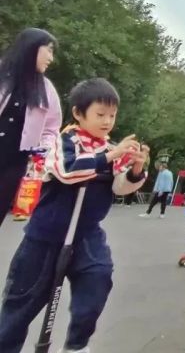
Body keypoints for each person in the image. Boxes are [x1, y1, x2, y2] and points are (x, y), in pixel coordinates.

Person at [0, 77, 146, 353]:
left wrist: (136, 171)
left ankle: (77, 345)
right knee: (21, 302)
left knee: (98, 278)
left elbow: (120, 186)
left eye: (112, 115)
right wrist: (109, 156)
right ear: (79, 113)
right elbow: (67, 171)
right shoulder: (62, 141)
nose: (107, 122)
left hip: (87, 233)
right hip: (46, 234)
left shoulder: (108, 148)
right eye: (100, 114)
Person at [0, 28, 62, 227]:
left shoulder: (46, 89)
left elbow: (51, 128)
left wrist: (43, 151)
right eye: (49, 50)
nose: (51, 58)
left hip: (13, 163)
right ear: (32, 47)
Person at [140, 154, 172, 218]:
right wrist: (170, 188)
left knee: (153, 201)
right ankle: (162, 214)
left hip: (161, 190)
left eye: (160, 167)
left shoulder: (162, 173)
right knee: (163, 202)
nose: (159, 168)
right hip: (167, 190)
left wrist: (159, 190)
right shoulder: (170, 173)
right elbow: (171, 182)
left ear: (163, 167)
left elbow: (161, 182)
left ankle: (148, 212)